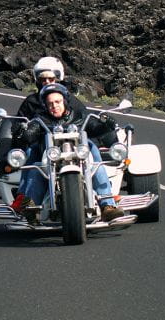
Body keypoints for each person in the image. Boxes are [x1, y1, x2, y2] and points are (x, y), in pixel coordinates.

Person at [10, 82, 125, 223]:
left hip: (78, 157)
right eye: (50, 103)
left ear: (64, 101)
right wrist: (23, 132)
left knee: (95, 163)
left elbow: (96, 127)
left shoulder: (79, 116)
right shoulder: (40, 120)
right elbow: (29, 134)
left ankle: (108, 206)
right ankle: (31, 208)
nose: (54, 106)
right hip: (50, 160)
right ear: (45, 105)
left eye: (57, 102)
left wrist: (106, 124)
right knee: (37, 168)